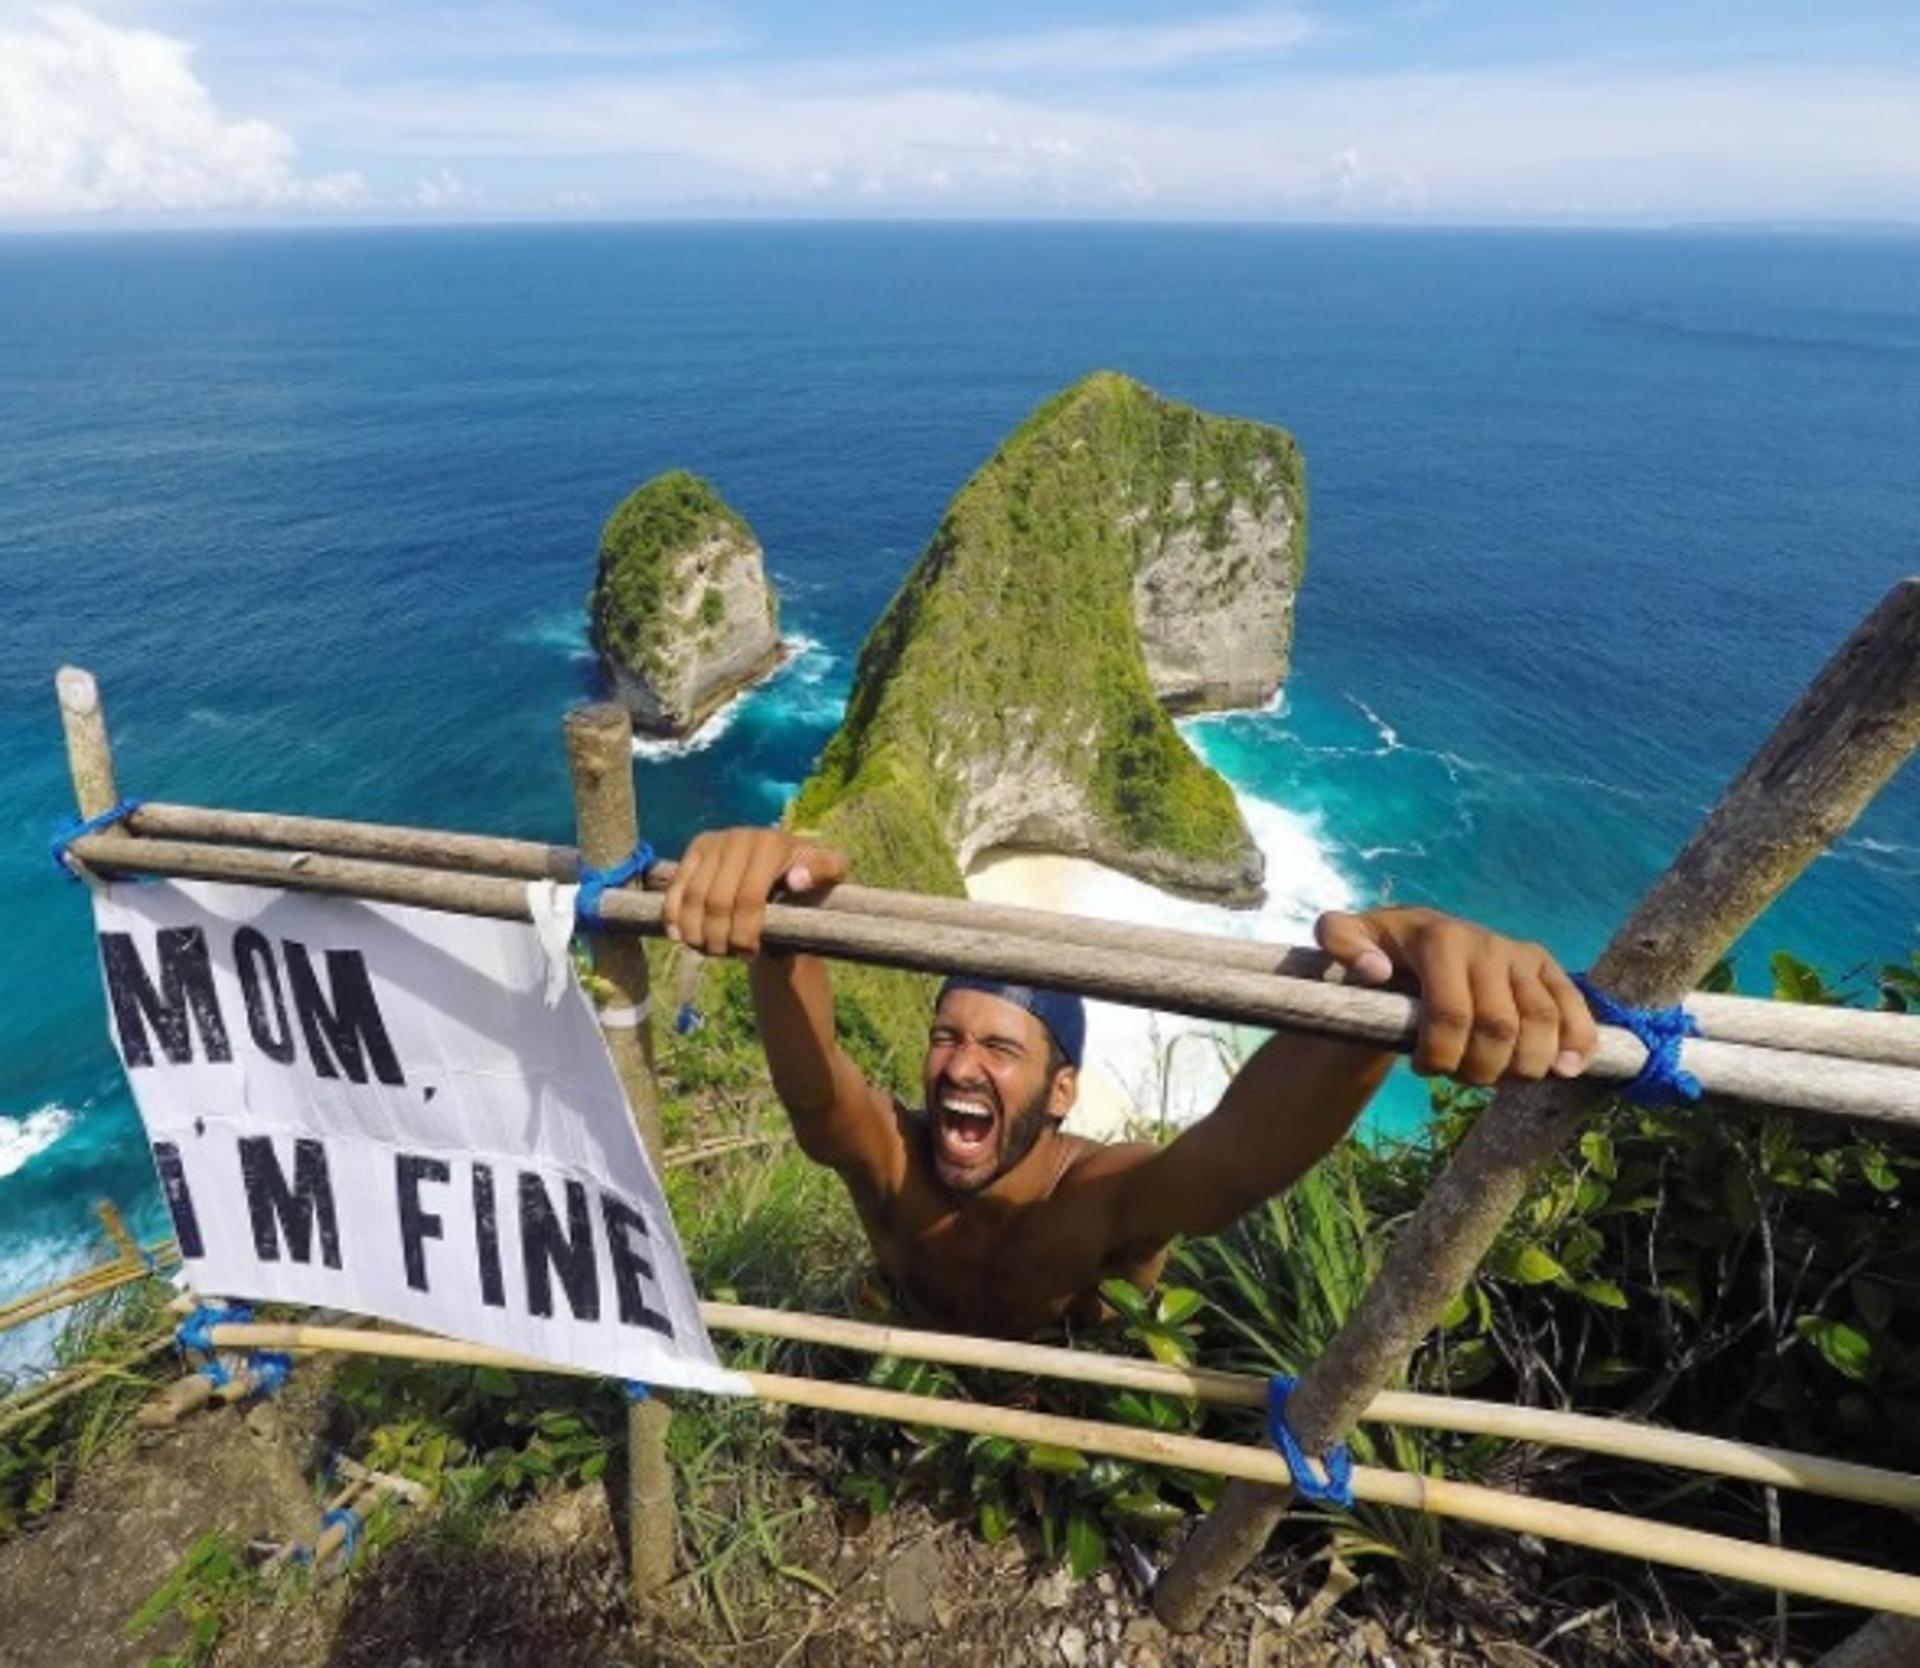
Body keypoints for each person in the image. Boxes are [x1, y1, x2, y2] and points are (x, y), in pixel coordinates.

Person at [663, 828, 1597, 1340]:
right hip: (901, 1382)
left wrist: (1389, 972)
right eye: (946, 1037)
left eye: (1000, 1049)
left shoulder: (1103, 1198)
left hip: (1067, 1424)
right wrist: (773, 905)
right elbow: (819, 1095)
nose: (960, 1063)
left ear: (1062, 1093)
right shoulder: (892, 1164)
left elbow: (1229, 1164)